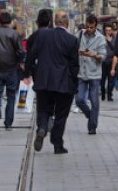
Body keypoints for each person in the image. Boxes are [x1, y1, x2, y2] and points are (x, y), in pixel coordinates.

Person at [24, 10, 79, 154]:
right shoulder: (72, 40)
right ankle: (57, 144)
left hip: (44, 80)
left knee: (43, 109)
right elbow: (74, 65)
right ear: (67, 23)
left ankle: (42, 128)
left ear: (54, 22)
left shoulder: (42, 35)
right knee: (61, 114)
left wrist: (27, 73)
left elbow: (31, 55)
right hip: (63, 83)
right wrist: (74, 83)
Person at [0, 11, 24, 131]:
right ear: (10, 22)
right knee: (11, 96)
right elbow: (21, 51)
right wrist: (18, 61)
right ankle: (8, 123)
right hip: (12, 69)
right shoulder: (15, 34)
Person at [75, 14, 106, 134]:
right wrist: (78, 52)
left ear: (96, 26)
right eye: (87, 27)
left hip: (94, 74)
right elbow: (71, 46)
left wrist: (93, 55)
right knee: (79, 99)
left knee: (94, 100)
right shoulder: (80, 34)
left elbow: (103, 56)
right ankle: (90, 115)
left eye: (92, 27)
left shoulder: (100, 38)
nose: (89, 29)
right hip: (81, 73)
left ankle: (92, 127)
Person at [100, 24, 116, 102]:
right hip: (103, 62)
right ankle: (103, 92)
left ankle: (109, 95)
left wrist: (109, 42)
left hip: (111, 61)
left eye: (109, 30)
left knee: (111, 80)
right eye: (106, 30)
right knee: (102, 80)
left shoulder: (115, 39)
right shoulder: (101, 38)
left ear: (112, 31)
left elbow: (116, 49)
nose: (108, 32)